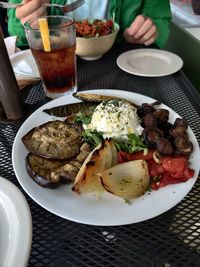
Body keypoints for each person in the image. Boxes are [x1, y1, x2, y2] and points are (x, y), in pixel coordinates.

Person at [7, 0, 171, 48]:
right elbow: (16, 34)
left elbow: (160, 20)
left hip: (123, 64)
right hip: (55, 62)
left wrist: (149, 30)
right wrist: (28, 25)